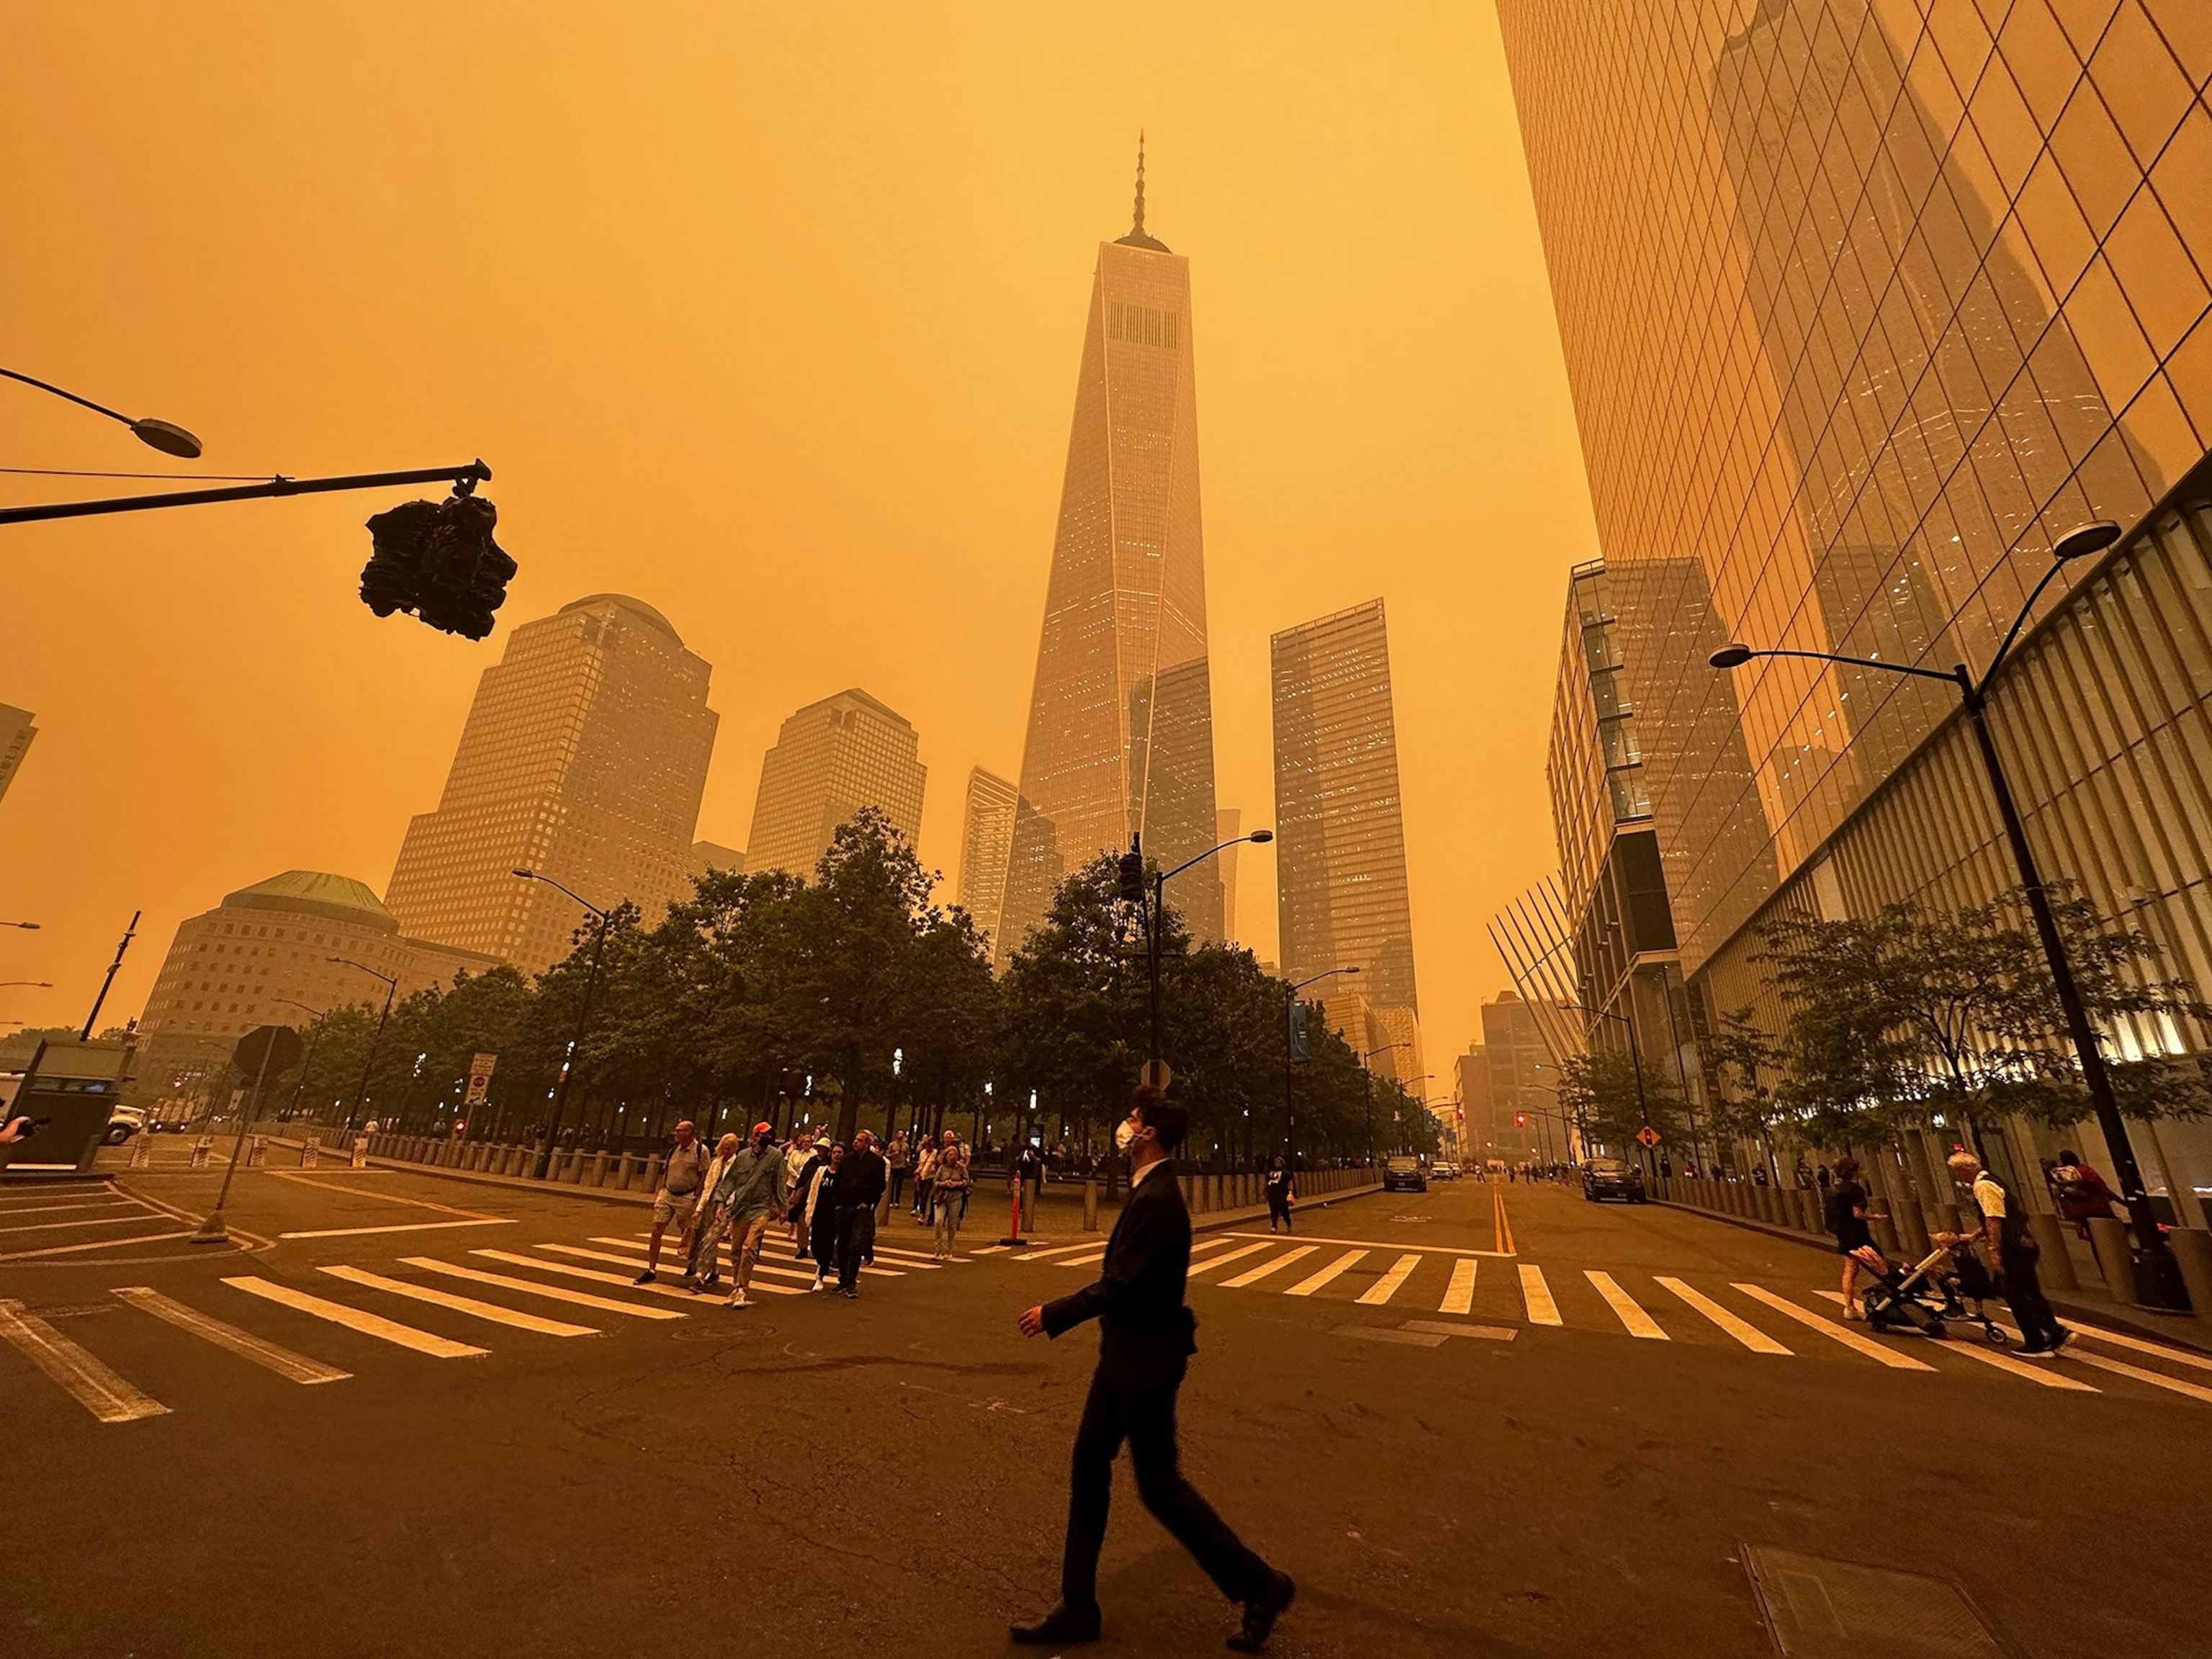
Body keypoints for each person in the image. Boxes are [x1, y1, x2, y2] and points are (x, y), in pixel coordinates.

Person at [1012, 1086, 1295, 1652]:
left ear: (1148, 1135)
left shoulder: (1161, 1199)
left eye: (1133, 1118)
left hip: (1144, 1363)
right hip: (1125, 1358)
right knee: (1090, 1467)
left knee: (1160, 1487)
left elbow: (1121, 1283)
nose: (1124, 1125)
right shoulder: (1152, 1191)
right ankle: (1078, 1605)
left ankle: (1263, 1585)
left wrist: (1054, 1313)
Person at [1948, 1149, 2068, 1357]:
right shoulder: (1993, 1181)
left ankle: (2039, 1340)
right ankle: (2052, 1331)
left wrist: (1994, 1250)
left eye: (1958, 1173)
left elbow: (1994, 1218)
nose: (1959, 1178)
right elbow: (1997, 1216)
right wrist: (1975, 1236)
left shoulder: (1984, 1186)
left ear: (1966, 1169)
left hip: (2013, 1247)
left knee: (2014, 1293)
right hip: (2022, 1243)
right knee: (2025, 1290)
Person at [696, 1122, 788, 1308]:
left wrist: (783, 1207)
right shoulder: (743, 1158)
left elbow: (779, 1182)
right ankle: (735, 1286)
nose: (766, 1138)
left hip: (761, 1208)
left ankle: (742, 1288)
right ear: (755, 1137)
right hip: (740, 1209)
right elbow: (730, 1182)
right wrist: (721, 1203)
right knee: (736, 1250)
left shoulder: (776, 1156)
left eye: (770, 1135)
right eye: (763, 1135)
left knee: (749, 1247)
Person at [634, 1120, 708, 1285]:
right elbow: (667, 1171)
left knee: (688, 1232)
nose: (676, 1134)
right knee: (657, 1229)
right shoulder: (673, 1150)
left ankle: (693, 1263)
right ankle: (651, 1269)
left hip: (687, 1196)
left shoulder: (700, 1151)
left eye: (680, 1131)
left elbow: (704, 1175)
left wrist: (697, 1196)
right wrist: (662, 1189)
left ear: (690, 1133)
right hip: (668, 1194)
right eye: (676, 1130)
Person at [1825, 1156, 1884, 1320]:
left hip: (1844, 1233)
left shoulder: (1838, 1188)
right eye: (1858, 1170)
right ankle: (1887, 1300)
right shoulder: (1855, 1190)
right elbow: (1858, 1214)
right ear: (1852, 1172)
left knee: (1850, 1269)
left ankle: (1849, 1306)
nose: (1860, 1172)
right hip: (1857, 1234)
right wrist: (1874, 1217)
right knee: (1880, 1264)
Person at [831, 1129, 888, 1299]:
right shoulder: (847, 1160)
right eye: (855, 1140)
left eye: (860, 1140)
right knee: (842, 1243)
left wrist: (869, 1202)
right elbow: (838, 1181)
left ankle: (851, 1281)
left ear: (867, 1143)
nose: (856, 1143)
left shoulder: (876, 1162)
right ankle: (842, 1279)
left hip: (861, 1208)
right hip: (845, 1205)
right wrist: (838, 1203)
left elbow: (880, 1185)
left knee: (856, 1245)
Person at [680, 1134, 743, 1287]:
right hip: (711, 1204)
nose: (725, 1152)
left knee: (711, 1238)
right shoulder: (716, 1163)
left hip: (727, 1205)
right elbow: (708, 1187)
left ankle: (701, 1276)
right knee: (701, 1236)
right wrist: (700, 1209)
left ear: (735, 1148)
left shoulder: (739, 1164)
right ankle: (714, 1271)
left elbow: (737, 1188)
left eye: (728, 1149)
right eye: (723, 1148)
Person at [2051, 1147, 2121, 1241]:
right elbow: (2101, 1188)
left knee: (2095, 1240)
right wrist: (2121, 1201)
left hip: (2079, 1210)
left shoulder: (2062, 1175)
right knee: (2114, 1236)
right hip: (2099, 1208)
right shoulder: (2084, 1171)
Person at [931, 1133, 971, 1259]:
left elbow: (967, 1181)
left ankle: (949, 1249)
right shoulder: (942, 1168)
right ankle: (938, 1249)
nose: (951, 1157)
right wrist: (943, 1183)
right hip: (941, 1197)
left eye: (954, 1155)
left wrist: (957, 1184)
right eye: (949, 1154)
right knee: (938, 1222)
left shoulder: (961, 1168)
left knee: (952, 1225)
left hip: (955, 1197)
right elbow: (935, 1182)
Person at [912, 1131, 940, 1221]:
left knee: (925, 1195)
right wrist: (918, 1170)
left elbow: (937, 1163)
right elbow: (920, 1162)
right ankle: (920, 1210)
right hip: (922, 1175)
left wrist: (934, 1167)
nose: (929, 1148)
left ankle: (922, 1214)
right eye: (927, 1146)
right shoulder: (922, 1153)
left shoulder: (936, 1153)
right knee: (919, 1193)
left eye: (930, 1146)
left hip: (930, 1176)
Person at [1263, 1157, 1295, 1233]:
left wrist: (1290, 1192)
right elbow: (1267, 1182)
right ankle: (1274, 1225)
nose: (1277, 1164)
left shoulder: (1286, 1173)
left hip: (1282, 1194)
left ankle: (1288, 1223)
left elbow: (1290, 1182)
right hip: (1272, 1194)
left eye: (1279, 1163)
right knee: (1273, 1211)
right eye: (1276, 1163)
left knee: (1284, 1211)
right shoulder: (1270, 1172)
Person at [886, 1130, 910, 1212]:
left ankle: (897, 1201)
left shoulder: (906, 1146)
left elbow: (908, 1154)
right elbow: (887, 1154)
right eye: (899, 1134)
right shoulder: (892, 1145)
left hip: (902, 1167)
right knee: (892, 1185)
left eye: (901, 1134)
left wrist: (907, 1159)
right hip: (893, 1166)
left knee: (899, 1185)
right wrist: (894, 1154)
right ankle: (890, 1200)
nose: (900, 1135)